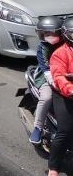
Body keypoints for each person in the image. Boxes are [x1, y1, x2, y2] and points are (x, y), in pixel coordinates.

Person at [31, 17, 64, 145]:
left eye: (51, 33)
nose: (48, 36)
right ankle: (37, 128)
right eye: (45, 33)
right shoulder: (42, 47)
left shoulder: (66, 44)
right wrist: (55, 84)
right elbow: (46, 70)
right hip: (46, 76)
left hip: (64, 75)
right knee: (46, 98)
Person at [48, 17, 73, 176]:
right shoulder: (59, 54)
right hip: (64, 95)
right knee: (65, 131)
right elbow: (59, 77)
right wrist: (70, 89)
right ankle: (53, 167)